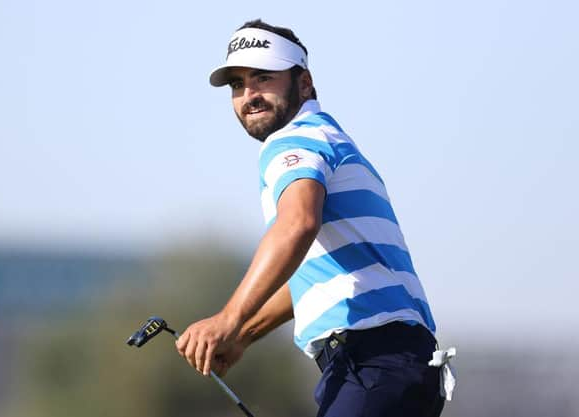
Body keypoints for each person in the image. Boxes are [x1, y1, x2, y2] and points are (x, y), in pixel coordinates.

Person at [176, 19, 454, 417]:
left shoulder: (292, 140)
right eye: (238, 84)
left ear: (304, 83)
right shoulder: (331, 139)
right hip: (402, 367)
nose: (249, 94)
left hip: (370, 364)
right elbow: (310, 275)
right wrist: (244, 335)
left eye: (262, 77)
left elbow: (297, 226)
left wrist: (228, 320)